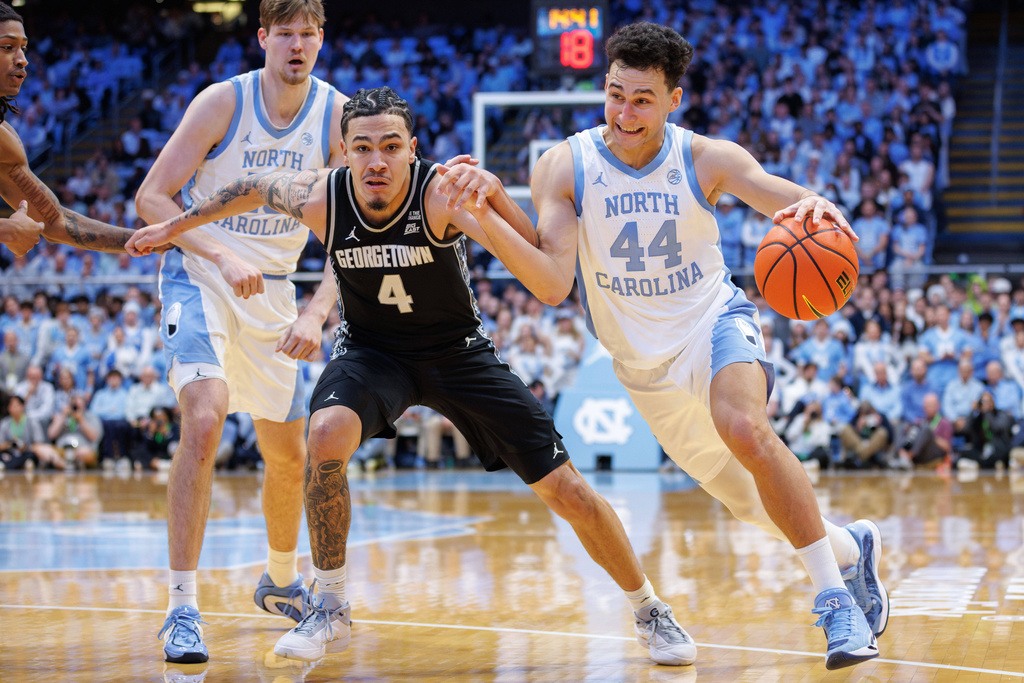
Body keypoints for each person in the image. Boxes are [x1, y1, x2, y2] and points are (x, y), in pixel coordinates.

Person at [128, 86, 698, 668]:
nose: (376, 161)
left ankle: (649, 608)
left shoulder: (443, 196)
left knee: (567, 490)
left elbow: (549, 282)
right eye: (362, 148)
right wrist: (176, 225)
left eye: (391, 147)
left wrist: (493, 198)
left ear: (413, 149)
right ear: (344, 152)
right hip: (373, 353)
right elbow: (249, 187)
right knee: (323, 434)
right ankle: (330, 605)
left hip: (457, 354)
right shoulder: (323, 197)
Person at [436, 23, 885, 670]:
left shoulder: (707, 158)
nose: (624, 113)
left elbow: (788, 199)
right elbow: (553, 282)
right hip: (643, 367)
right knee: (747, 503)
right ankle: (849, 548)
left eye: (642, 100)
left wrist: (819, 207)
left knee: (745, 427)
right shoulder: (565, 165)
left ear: (674, 98)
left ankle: (834, 601)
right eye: (615, 95)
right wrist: (482, 212)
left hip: (712, 324)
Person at [131, 0, 347, 664]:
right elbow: (152, 197)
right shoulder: (222, 102)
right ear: (262, 38)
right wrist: (222, 253)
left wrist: (316, 313)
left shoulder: (336, 115)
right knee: (205, 419)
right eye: (285, 33)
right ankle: (181, 607)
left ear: (321, 40)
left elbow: (351, 233)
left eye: (308, 33)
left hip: (274, 289)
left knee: (288, 455)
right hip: (200, 273)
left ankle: (280, 580)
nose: (297, 45)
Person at [0, 3, 138, 257]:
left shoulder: (4, 138)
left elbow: (55, 221)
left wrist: (152, 239)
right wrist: (6, 230)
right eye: (8, 47)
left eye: (23, 48)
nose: (22, 59)